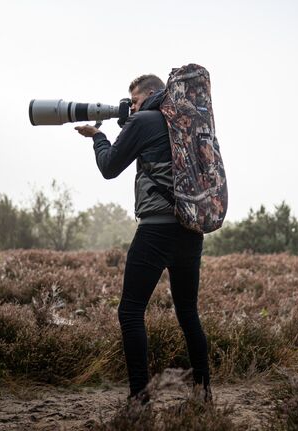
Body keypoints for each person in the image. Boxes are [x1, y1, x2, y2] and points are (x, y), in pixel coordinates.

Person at [75, 74, 212, 405]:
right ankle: (203, 394)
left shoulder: (144, 120)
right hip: (190, 230)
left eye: (134, 101)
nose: (130, 107)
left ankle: (140, 400)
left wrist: (99, 137)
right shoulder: (186, 124)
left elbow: (109, 167)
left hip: (156, 229)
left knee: (130, 311)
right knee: (188, 313)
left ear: (150, 94)